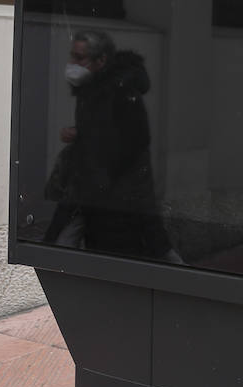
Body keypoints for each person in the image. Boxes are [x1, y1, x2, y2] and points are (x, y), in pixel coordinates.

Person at [43, 29, 174, 261]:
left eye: (79, 58)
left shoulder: (120, 91)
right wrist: (80, 135)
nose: (72, 63)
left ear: (101, 60)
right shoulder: (92, 88)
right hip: (91, 190)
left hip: (110, 196)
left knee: (149, 251)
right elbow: (105, 131)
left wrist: (91, 151)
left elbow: (132, 142)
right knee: (59, 249)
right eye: (72, 56)